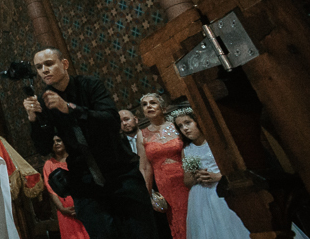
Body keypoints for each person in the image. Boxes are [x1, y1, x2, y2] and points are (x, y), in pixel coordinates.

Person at [24, 48, 158, 239]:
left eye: (49, 64)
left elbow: (111, 120)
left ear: (64, 64)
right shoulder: (43, 101)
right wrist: (34, 120)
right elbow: (43, 147)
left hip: (120, 174)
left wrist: (69, 108)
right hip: (85, 183)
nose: (44, 70)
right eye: (39, 67)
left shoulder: (90, 84)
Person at [172, 108, 250, 239]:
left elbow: (238, 169)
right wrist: (196, 176)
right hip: (201, 196)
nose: (185, 128)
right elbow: (187, 181)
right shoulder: (187, 150)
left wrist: (218, 176)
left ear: (197, 121)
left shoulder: (215, 142)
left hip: (224, 189)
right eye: (180, 126)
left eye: (188, 123)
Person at [140, 93, 188, 239]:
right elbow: (145, 167)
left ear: (163, 107)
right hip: (165, 185)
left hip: (186, 178)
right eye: (145, 104)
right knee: (178, 221)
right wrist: (148, 195)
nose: (149, 106)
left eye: (153, 103)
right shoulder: (141, 135)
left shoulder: (177, 126)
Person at [43, 136, 91, 239]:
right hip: (66, 212)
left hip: (85, 206)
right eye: (53, 142)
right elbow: (51, 189)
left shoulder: (75, 159)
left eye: (59, 140)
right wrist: (62, 208)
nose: (56, 143)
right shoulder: (49, 164)